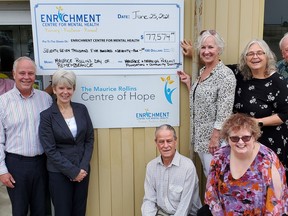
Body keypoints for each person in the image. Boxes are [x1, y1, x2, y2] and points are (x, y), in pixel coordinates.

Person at [177, 30, 236, 177]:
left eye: (211, 47)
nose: (206, 51)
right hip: (201, 139)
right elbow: (202, 101)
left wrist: (215, 139)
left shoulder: (225, 75)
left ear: (219, 49)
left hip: (214, 142)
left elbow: (224, 111)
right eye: (203, 47)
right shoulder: (203, 70)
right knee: (209, 177)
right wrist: (190, 84)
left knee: (217, 180)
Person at [204, 113, 288, 215]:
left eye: (246, 138)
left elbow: (276, 204)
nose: (240, 142)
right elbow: (211, 195)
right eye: (234, 138)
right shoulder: (219, 157)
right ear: (227, 139)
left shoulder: (267, 159)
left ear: (254, 137)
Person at [0, 56, 53, 216]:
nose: (26, 77)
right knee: (18, 211)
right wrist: (2, 170)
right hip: (15, 165)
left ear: (35, 75)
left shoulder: (46, 99)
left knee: (42, 210)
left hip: (41, 163)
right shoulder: (3, 102)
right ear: (13, 74)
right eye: (22, 73)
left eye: (30, 73)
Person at [39, 70, 94, 216]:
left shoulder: (81, 109)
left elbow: (89, 139)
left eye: (69, 88)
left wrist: (82, 168)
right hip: (59, 173)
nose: (65, 92)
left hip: (82, 172)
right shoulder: (46, 116)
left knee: (79, 211)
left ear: (74, 89)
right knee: (63, 212)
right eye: (61, 88)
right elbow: (50, 150)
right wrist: (72, 171)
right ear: (55, 89)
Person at [233, 39, 288, 180]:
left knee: (267, 185)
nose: (255, 57)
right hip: (243, 143)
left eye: (259, 53)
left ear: (267, 56)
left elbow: (284, 115)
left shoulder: (278, 82)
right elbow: (216, 65)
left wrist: (257, 122)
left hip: (269, 143)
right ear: (245, 59)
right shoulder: (240, 76)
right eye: (250, 54)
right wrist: (194, 55)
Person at [141, 124, 202, 216]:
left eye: (169, 141)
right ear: (156, 143)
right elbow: (149, 200)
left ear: (175, 141)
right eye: (161, 142)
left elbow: (184, 207)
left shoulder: (187, 167)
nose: (165, 145)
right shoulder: (151, 167)